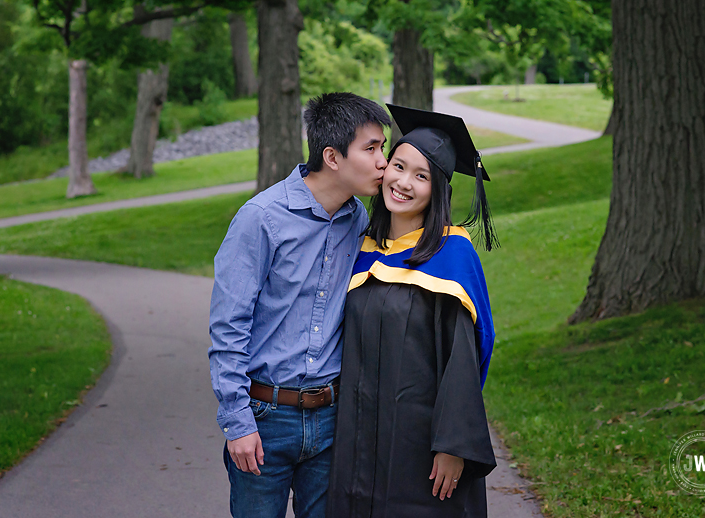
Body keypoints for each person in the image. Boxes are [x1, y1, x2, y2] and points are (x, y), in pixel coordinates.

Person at [208, 92, 391, 518]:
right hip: (265, 418)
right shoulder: (261, 219)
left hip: (331, 419)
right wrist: (238, 422)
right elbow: (228, 327)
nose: (383, 160)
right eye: (371, 148)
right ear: (332, 156)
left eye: (382, 148)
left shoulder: (357, 219)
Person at [327, 104, 499, 518]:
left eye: (420, 176)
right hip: (357, 440)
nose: (403, 183)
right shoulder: (362, 249)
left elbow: (462, 361)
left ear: (438, 188)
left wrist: (453, 447)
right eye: (398, 166)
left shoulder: (451, 256)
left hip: (421, 446)